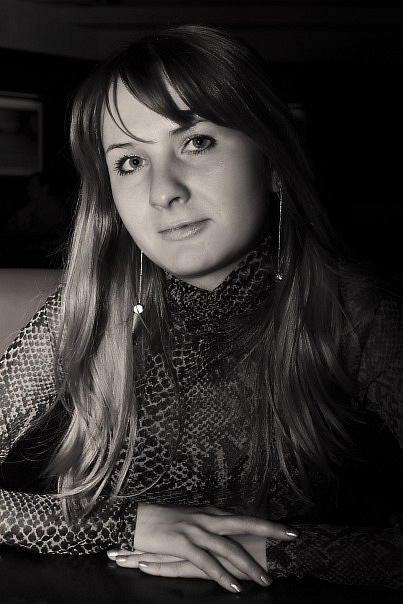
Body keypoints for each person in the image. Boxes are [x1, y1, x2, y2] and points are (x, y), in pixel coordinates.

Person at [0, 24, 402, 593]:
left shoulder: (353, 311)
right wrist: (126, 524)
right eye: (130, 162)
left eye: (196, 143)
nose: (163, 190)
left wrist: (279, 550)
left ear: (273, 160)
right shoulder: (88, 312)